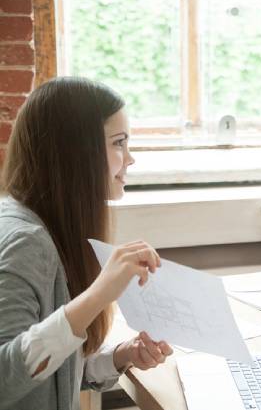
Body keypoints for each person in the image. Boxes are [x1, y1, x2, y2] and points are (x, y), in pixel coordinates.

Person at [0, 77, 173, 410]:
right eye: (119, 142)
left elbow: (46, 373)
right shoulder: (26, 243)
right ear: (76, 151)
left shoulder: (41, 226)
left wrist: (123, 355)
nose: (130, 158)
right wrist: (98, 295)